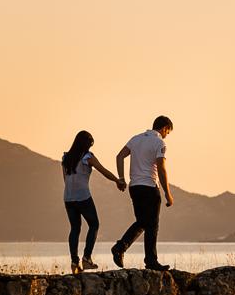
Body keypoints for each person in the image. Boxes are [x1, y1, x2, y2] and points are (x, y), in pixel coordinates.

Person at [111, 115, 175, 271]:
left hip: (135, 187)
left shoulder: (136, 139)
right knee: (152, 225)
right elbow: (161, 168)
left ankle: (120, 248)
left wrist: (121, 178)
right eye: (168, 132)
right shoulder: (160, 142)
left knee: (143, 222)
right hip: (149, 187)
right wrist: (167, 193)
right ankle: (150, 260)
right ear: (165, 128)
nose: (167, 135)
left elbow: (119, 156)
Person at [61, 130, 127, 274]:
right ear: (86, 144)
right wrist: (118, 180)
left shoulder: (66, 157)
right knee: (94, 224)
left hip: (68, 198)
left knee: (75, 229)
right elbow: (102, 170)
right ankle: (87, 258)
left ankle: (74, 262)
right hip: (83, 197)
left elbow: (65, 180)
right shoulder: (87, 157)